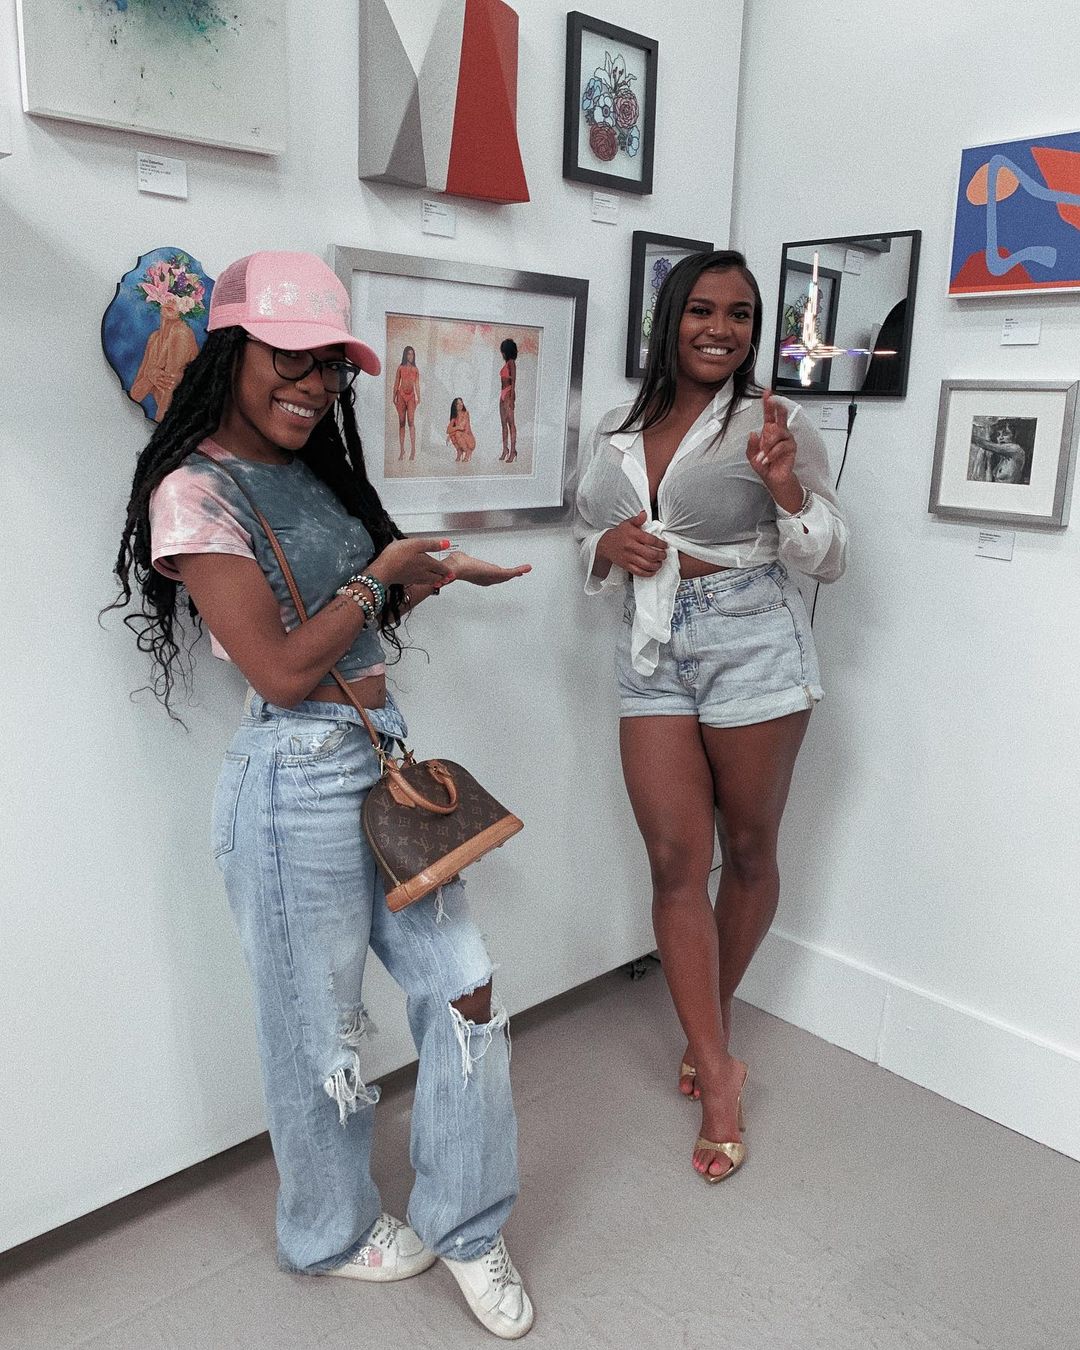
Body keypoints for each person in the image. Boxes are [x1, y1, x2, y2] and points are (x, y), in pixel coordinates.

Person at [108, 252, 534, 1339]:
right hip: (290, 781)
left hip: (379, 758)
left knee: (466, 988)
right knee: (320, 1030)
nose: (311, 385)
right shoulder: (193, 490)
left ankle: (467, 1224)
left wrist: (422, 579)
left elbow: (348, 629)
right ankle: (328, 1231)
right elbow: (283, 669)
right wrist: (379, 575)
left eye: (329, 366)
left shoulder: (312, 471)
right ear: (231, 352)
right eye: (288, 358)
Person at [574, 250, 847, 1184]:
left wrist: (785, 488)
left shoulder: (774, 422)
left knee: (752, 849)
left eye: (740, 314)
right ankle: (720, 1069)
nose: (720, 329)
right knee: (673, 860)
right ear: (669, 321)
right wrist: (604, 546)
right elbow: (587, 528)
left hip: (752, 641)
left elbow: (830, 555)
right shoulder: (618, 423)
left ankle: (710, 1031)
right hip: (650, 650)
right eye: (701, 310)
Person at [130, 292, 199, 423]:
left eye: (179, 298)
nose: (172, 301)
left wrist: (160, 433)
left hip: (184, 421)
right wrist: (150, 375)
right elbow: (135, 394)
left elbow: (168, 397)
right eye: (168, 294)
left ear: (186, 306)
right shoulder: (155, 338)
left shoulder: (181, 333)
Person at [392, 345, 421, 461]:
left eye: (412, 354)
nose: (411, 356)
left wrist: (419, 397)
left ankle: (413, 449)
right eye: (409, 354)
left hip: (411, 396)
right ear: (405, 355)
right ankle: (402, 450)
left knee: (411, 422)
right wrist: (394, 396)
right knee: (401, 422)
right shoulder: (400, 367)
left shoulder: (415, 369)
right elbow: (396, 382)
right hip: (401, 395)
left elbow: (417, 384)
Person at [498, 338, 517, 463]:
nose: (502, 353)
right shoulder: (506, 364)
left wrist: (511, 398)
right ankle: (505, 449)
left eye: (503, 351)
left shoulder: (511, 363)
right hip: (503, 394)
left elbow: (513, 381)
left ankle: (513, 451)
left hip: (508, 393)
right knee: (503, 424)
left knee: (511, 424)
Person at [447, 396, 476, 462]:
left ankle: (467, 452)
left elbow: (462, 427)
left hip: (469, 441)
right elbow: (448, 430)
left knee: (456, 433)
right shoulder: (455, 416)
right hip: (461, 438)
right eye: (458, 404)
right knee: (453, 435)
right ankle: (459, 451)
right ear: (455, 406)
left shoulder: (466, 413)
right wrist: (451, 433)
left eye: (461, 402)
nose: (461, 405)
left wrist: (451, 433)